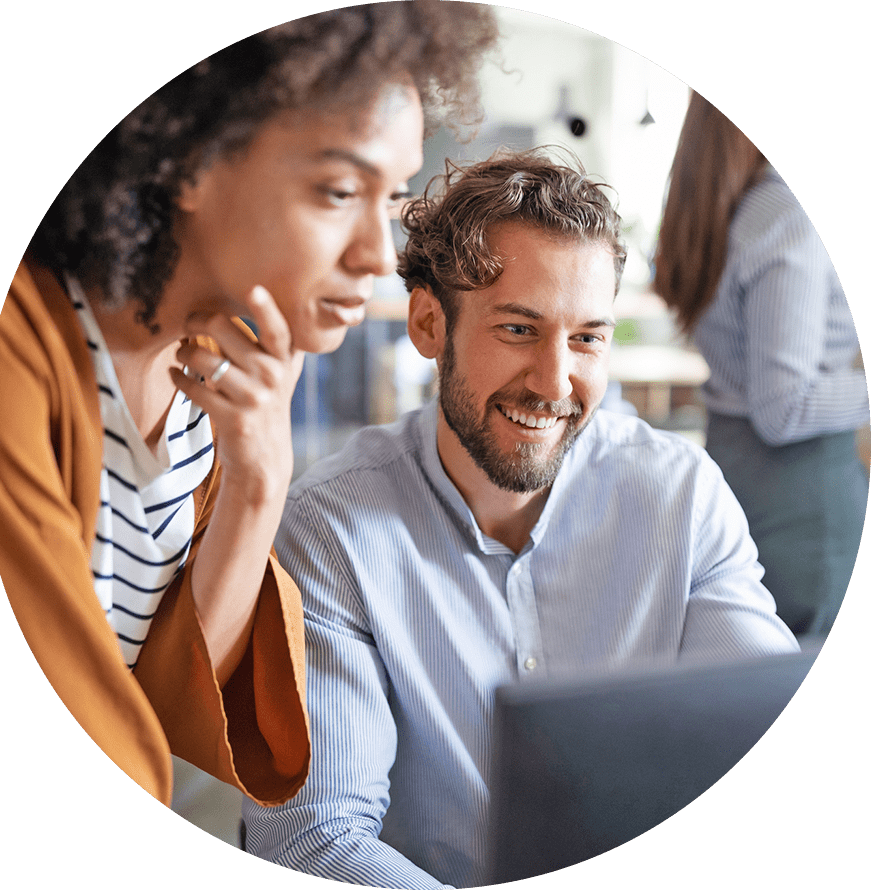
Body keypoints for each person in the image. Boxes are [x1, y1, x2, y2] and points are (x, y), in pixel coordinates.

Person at [0, 2, 499, 808]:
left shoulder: (214, 367)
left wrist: (260, 484)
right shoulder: (17, 348)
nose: (378, 254)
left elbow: (165, 710)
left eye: (390, 196)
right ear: (188, 160)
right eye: (336, 191)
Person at [241, 149, 800, 889]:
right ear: (429, 323)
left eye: (587, 337)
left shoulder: (683, 498)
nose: (554, 381)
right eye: (518, 329)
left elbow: (763, 750)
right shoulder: (332, 528)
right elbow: (315, 840)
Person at [653, 92, 869, 637]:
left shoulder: (730, 210)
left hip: (736, 468)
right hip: (799, 495)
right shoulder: (786, 216)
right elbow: (784, 408)